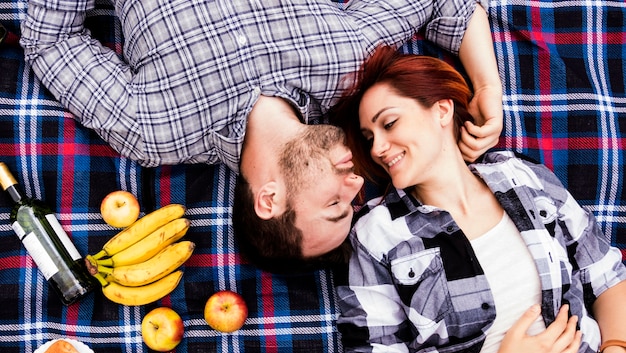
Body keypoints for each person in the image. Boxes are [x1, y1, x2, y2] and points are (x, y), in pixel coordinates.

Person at [20, 0, 502, 270]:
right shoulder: (348, 65)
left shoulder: (154, 129)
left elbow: (49, 40)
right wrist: (486, 87)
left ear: (269, 200)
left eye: (336, 205)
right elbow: (445, 5)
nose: (358, 184)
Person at [332, 45, 626, 353]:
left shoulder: (522, 176)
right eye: (369, 136)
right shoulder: (377, 233)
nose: (377, 147)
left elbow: (608, 277)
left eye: (388, 124)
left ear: (441, 110)